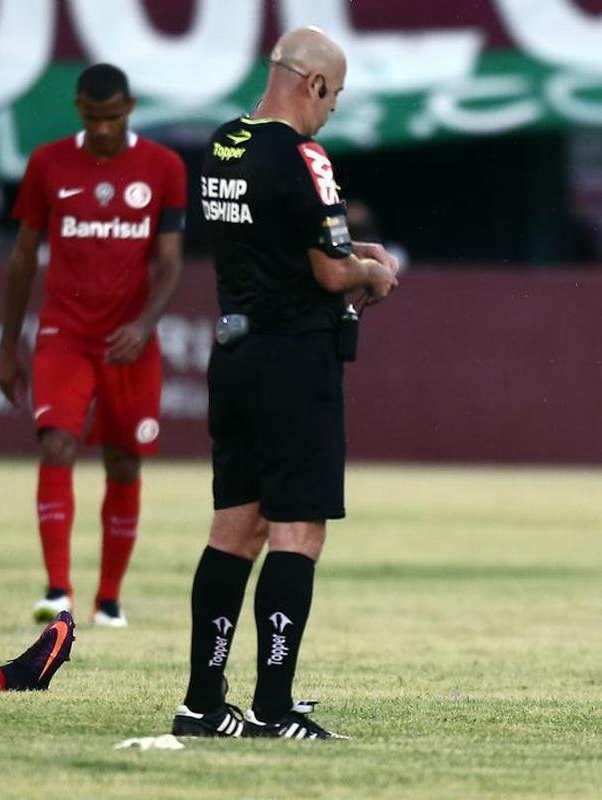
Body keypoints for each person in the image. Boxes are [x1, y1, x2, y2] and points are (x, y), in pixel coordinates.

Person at [170, 27, 399, 741]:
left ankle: (203, 703)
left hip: (234, 353)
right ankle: (273, 706)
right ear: (315, 85)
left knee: (234, 529)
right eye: (335, 96)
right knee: (297, 530)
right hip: (296, 360)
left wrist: (340, 251)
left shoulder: (222, 143)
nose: (332, 111)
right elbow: (330, 272)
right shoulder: (304, 154)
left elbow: (273, 239)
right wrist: (371, 272)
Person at [0, 63, 187, 628]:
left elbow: (172, 263)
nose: (104, 128)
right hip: (65, 334)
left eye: (114, 116)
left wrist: (145, 324)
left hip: (130, 341)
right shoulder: (48, 163)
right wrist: (9, 346)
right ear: (79, 109)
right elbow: (22, 256)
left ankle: (109, 600)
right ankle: (58, 590)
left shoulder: (164, 167)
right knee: (56, 443)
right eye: (94, 117)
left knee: (124, 462)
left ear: (130, 108)